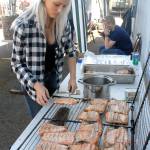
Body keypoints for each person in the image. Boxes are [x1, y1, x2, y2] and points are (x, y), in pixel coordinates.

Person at [11, 0, 77, 118]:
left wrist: (73, 78)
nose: (60, 10)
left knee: (54, 114)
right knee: (40, 119)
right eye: (56, 4)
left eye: (65, 6)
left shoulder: (63, 21)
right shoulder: (23, 25)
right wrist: (37, 85)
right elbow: (17, 63)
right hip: (32, 81)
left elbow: (71, 51)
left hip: (53, 76)